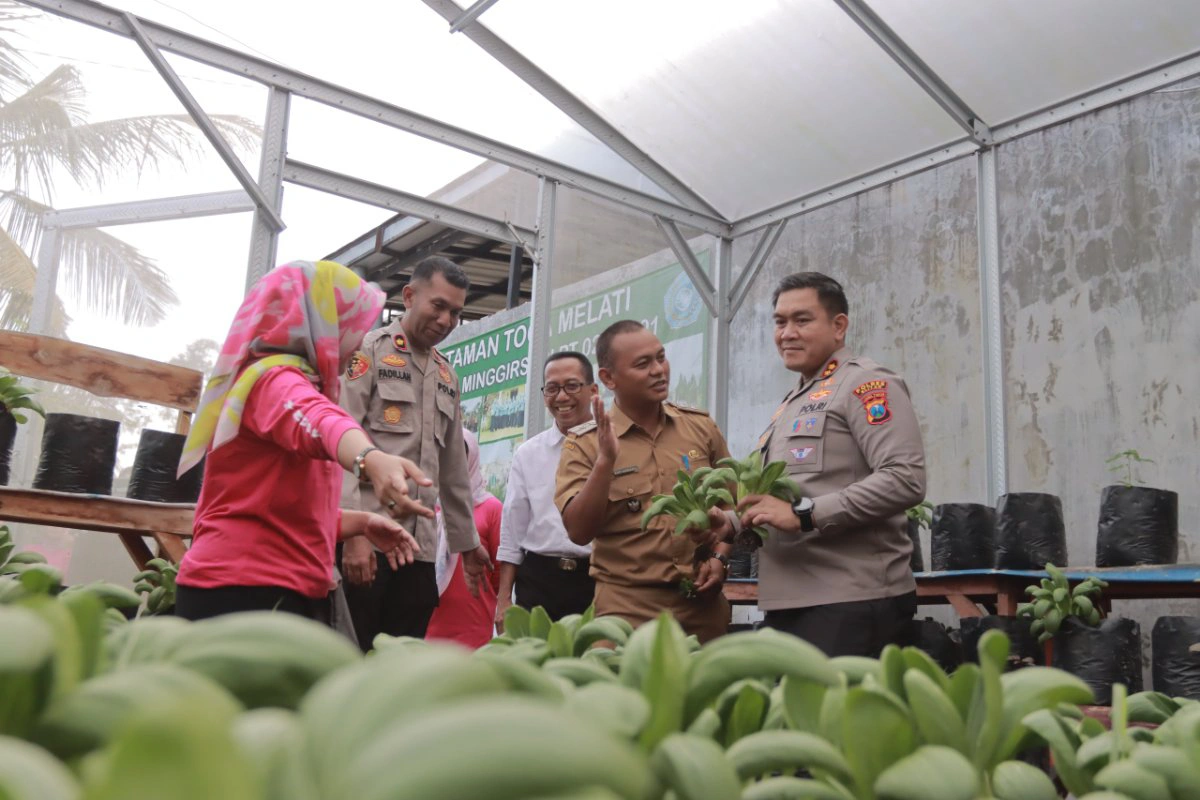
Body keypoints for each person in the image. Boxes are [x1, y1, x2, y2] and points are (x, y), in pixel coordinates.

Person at [174, 260, 428, 623]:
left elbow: (278, 513)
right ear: (322, 325)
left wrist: (361, 522)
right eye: (353, 327)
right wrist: (371, 459)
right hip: (242, 594)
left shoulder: (292, 382)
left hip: (269, 591)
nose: (357, 344)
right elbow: (320, 421)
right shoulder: (274, 381)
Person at [708, 271, 926, 657]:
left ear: (839, 326)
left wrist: (806, 515)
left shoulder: (866, 384)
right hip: (791, 603)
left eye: (802, 320)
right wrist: (731, 525)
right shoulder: (793, 402)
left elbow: (904, 478)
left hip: (849, 602)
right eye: (780, 322)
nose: (787, 333)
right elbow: (796, 496)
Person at [339, 256, 491, 648]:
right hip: (369, 543)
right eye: (438, 306)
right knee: (350, 656)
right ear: (409, 296)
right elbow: (338, 444)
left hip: (419, 551)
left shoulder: (447, 375)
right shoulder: (368, 352)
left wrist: (467, 543)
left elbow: (454, 470)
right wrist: (352, 537)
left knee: (404, 661)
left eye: (455, 312)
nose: (446, 320)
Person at [555, 320, 733, 643]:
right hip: (627, 612)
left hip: (702, 607)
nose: (658, 370)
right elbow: (578, 531)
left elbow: (732, 505)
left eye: (661, 358)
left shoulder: (700, 427)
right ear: (608, 378)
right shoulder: (586, 443)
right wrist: (606, 462)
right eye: (642, 364)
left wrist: (719, 557)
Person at [494, 352, 597, 631]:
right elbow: (512, 530)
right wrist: (503, 599)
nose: (562, 397)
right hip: (538, 583)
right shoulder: (528, 453)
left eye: (572, 386)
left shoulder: (614, 446)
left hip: (599, 579)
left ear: (593, 390)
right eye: (552, 388)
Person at [426, 428, 502, 648]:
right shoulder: (424, 504)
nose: (451, 462)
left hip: (474, 626)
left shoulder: (492, 508)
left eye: (459, 454)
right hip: (428, 625)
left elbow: (498, 572)